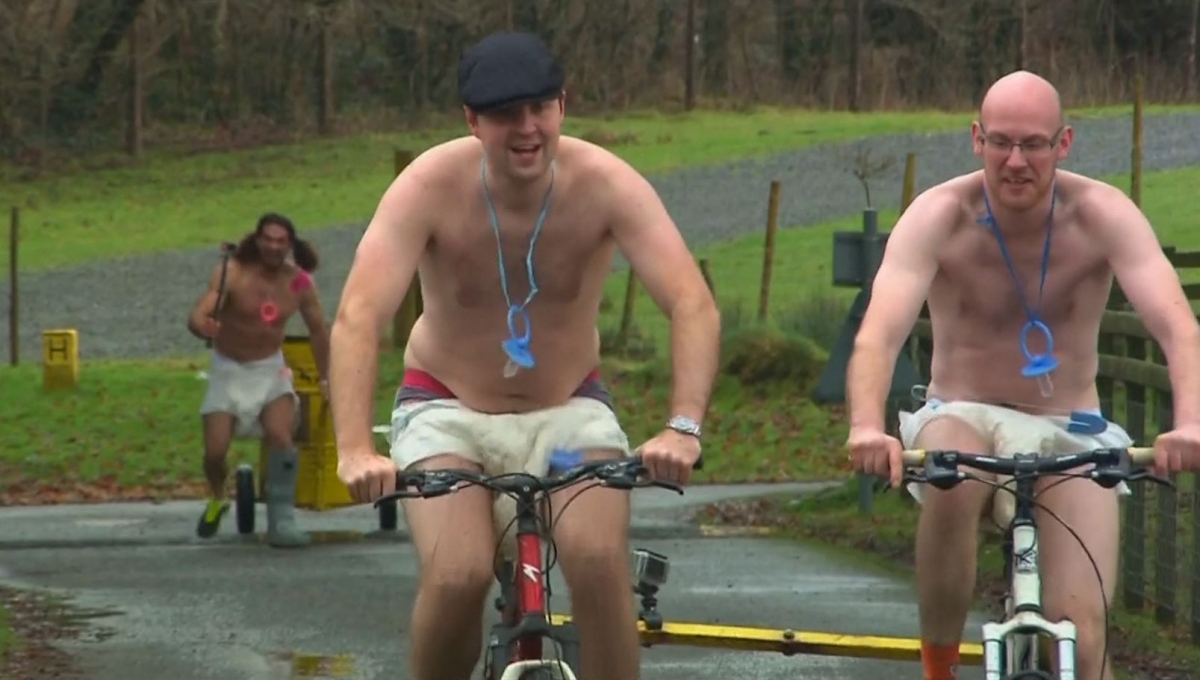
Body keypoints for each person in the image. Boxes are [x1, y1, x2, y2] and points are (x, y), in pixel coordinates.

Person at [327, 31, 719, 680]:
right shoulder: (427, 184)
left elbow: (691, 302)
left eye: (541, 107)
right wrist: (353, 450)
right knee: (458, 576)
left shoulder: (606, 183)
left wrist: (682, 426)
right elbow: (358, 315)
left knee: (598, 562)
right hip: (446, 411)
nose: (527, 128)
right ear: (472, 121)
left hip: (569, 418)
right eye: (506, 114)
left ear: (563, 106)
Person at [844, 69, 1200, 680]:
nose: (1016, 161)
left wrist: (1190, 423)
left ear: (1063, 144)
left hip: (1071, 427)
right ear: (976, 139)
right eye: (1001, 142)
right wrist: (866, 426)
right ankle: (940, 665)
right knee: (956, 473)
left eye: (1034, 144)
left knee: (1082, 639)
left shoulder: (1102, 214)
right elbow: (878, 334)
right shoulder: (939, 215)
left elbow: (1178, 328)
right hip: (963, 411)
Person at [187, 212, 332, 548]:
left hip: (270, 371)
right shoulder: (232, 272)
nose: (273, 246)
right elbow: (200, 312)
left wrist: (327, 377)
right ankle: (218, 496)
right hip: (229, 370)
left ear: (290, 245)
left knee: (282, 436)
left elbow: (318, 330)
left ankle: (282, 520)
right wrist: (201, 325)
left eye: (281, 241)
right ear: (257, 240)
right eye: (268, 239)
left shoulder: (298, 282)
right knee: (215, 453)